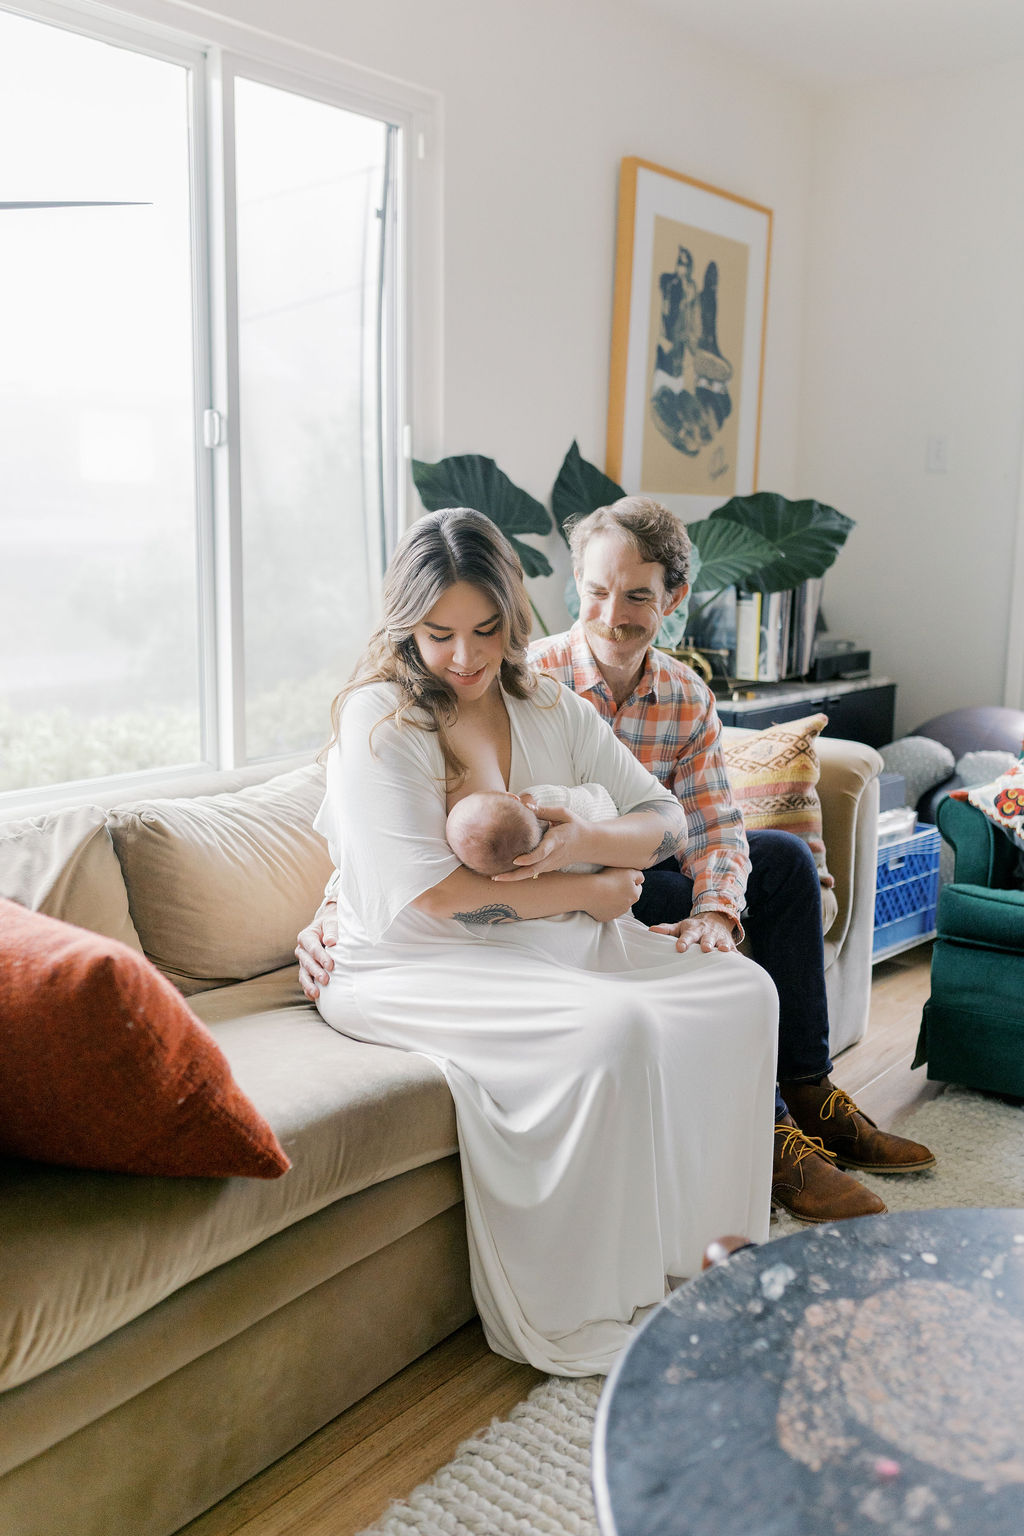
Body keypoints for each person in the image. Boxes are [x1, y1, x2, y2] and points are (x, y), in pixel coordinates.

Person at [298, 496, 936, 1226]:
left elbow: (706, 823)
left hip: (621, 863)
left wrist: (715, 914)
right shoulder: (521, 675)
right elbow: (388, 840)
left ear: (673, 597)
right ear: (575, 584)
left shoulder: (682, 693)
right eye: (598, 591)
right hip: (569, 892)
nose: (612, 613)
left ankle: (809, 1089)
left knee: (784, 860)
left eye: (637, 594)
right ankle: (769, 1140)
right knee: (662, 939)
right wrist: (330, 916)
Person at [309, 507, 778, 1376]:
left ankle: (696, 1251)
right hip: (412, 956)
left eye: (486, 629)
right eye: (438, 633)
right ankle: (589, 1301)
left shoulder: (544, 701)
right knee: (614, 1030)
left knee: (742, 990)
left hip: (551, 933)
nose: (464, 657)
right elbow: (439, 896)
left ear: (513, 614)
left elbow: (665, 817)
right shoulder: (382, 716)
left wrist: (579, 846)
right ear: (403, 623)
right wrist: (593, 892)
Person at [445, 781, 624, 876]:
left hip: (615, 853)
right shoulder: (540, 800)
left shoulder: (551, 869)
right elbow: (596, 795)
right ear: (512, 797)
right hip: (615, 816)